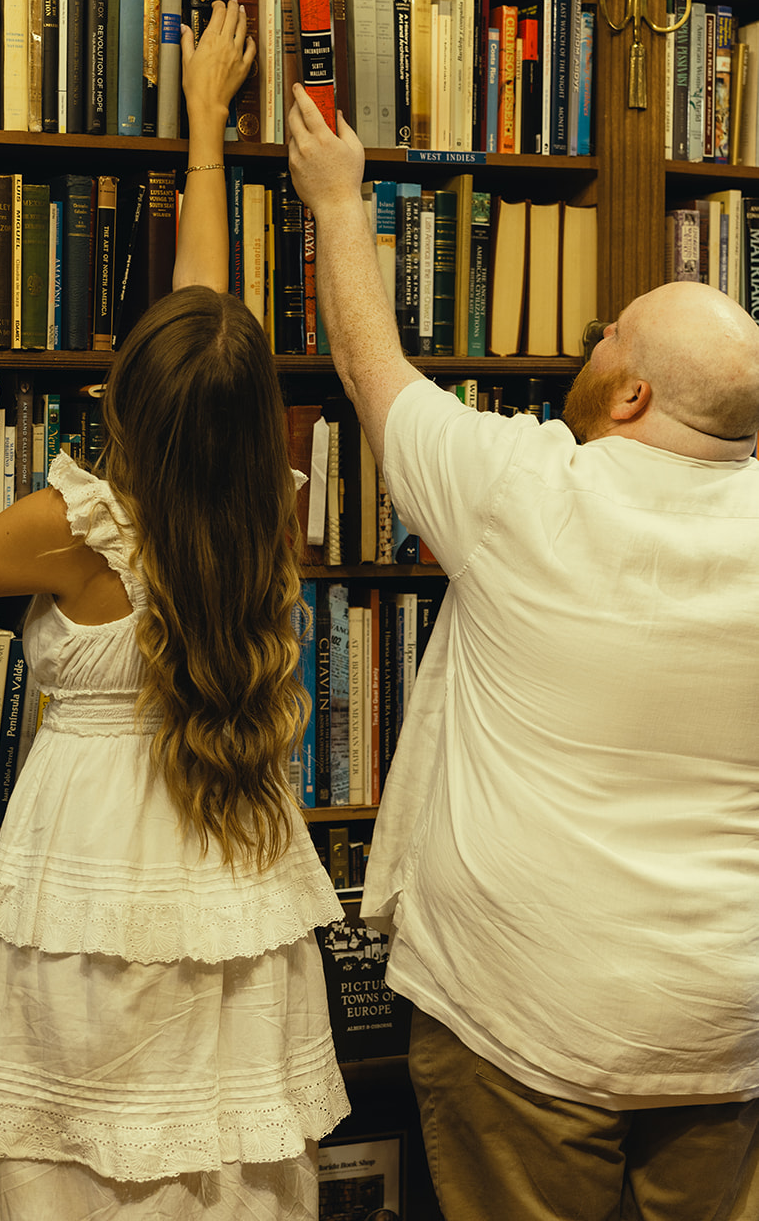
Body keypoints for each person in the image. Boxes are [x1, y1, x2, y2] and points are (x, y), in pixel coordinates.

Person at [0, 0, 349, 1220]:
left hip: (95, 858)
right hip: (226, 841)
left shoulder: (69, 524)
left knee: (83, 1152)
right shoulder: (261, 510)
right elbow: (205, 332)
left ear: (130, 393)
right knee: (216, 1136)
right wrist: (203, 132)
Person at [286, 79, 759, 1221]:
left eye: (609, 334)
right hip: (726, 1022)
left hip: (526, 1011)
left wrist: (339, 202)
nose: (592, 339)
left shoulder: (522, 490)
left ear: (632, 388)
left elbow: (370, 370)